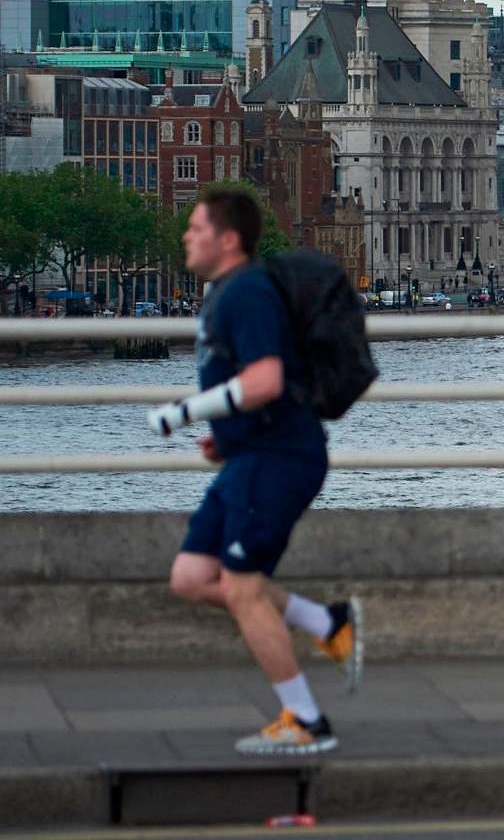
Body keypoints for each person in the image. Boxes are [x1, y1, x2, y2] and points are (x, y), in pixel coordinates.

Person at [150, 186, 362, 756]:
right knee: (192, 577)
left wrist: (183, 413)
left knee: (243, 590)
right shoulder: (225, 293)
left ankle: (306, 720)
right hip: (250, 453)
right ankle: (326, 623)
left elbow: (266, 381)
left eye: (195, 229)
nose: (185, 238)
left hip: (279, 458)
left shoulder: (245, 292)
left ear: (227, 239)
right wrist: (225, 433)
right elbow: (253, 388)